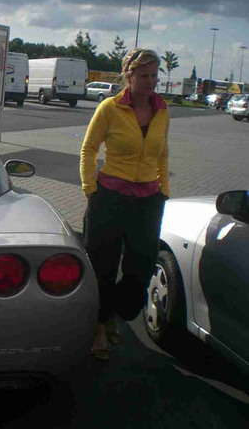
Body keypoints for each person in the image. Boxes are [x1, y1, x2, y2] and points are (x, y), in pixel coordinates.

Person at [79, 48, 170, 361]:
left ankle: (113, 311)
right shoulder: (110, 108)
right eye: (144, 75)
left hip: (147, 201)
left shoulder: (161, 109)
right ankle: (100, 326)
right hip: (109, 197)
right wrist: (90, 190)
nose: (151, 81)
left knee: (140, 270)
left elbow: (163, 154)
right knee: (102, 265)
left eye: (155, 75)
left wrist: (164, 191)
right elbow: (89, 149)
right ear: (128, 76)